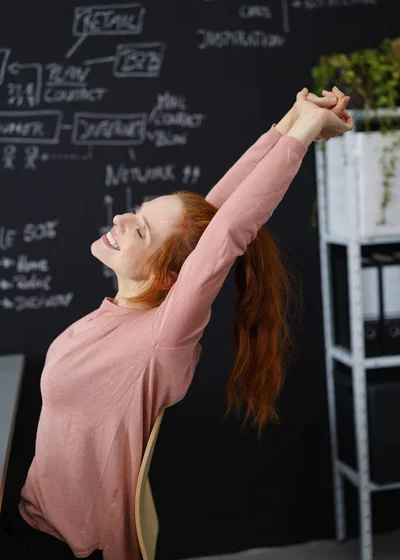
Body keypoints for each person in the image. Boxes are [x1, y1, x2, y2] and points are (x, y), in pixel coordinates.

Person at [0, 87, 353, 560]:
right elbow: (215, 214)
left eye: (140, 228)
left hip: (59, 548)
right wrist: (290, 121)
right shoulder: (135, 313)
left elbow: (225, 235)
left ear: (169, 275)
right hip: (29, 518)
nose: (122, 218)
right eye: (138, 213)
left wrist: (305, 135)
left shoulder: (160, 338)